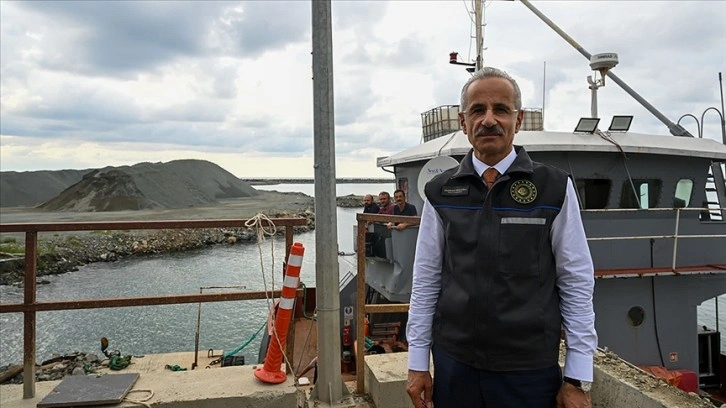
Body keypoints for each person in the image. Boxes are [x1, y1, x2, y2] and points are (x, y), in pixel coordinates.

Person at [405, 67, 596, 408]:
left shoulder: (553, 188)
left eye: (501, 110)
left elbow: (576, 280)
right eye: (478, 110)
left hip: (529, 371)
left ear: (518, 120)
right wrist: (418, 363)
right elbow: (426, 279)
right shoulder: (440, 191)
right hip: (455, 365)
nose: (489, 120)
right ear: (464, 122)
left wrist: (576, 377)